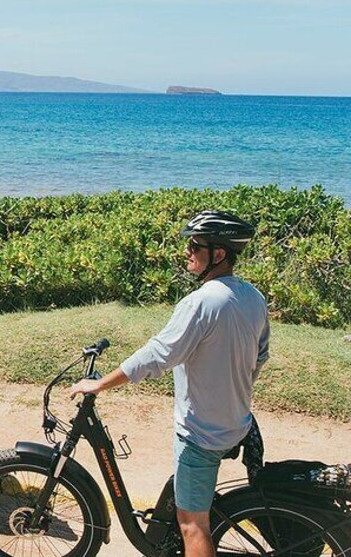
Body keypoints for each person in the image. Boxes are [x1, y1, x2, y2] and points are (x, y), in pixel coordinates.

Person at [69, 210, 270, 557]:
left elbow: (157, 355)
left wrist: (100, 384)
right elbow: (260, 356)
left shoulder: (201, 303)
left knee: (193, 525)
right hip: (237, 422)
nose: (188, 251)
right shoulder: (253, 297)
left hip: (203, 434)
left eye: (195, 245)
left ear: (218, 254)